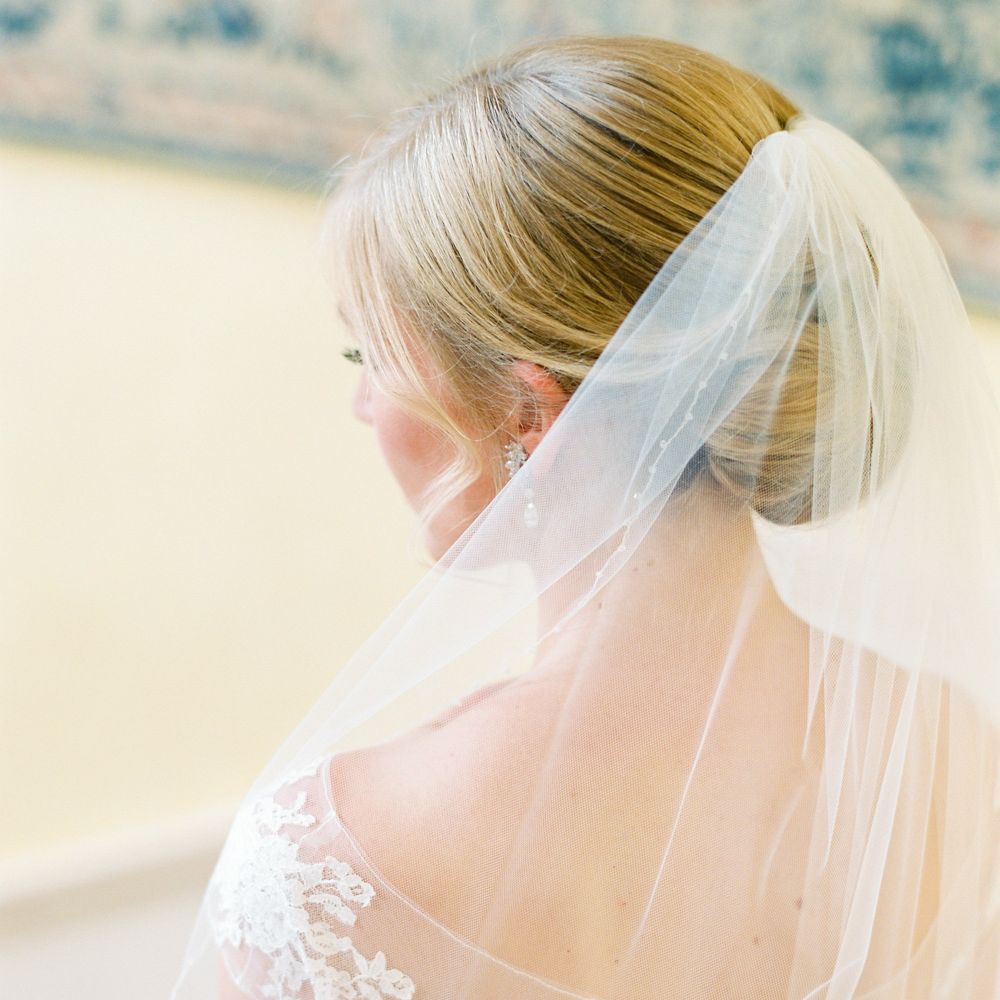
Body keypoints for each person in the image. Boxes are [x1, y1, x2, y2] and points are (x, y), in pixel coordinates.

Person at [172, 35, 1000, 999]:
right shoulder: (945, 743)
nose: (364, 407)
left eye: (372, 359)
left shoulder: (333, 861)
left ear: (530, 412)